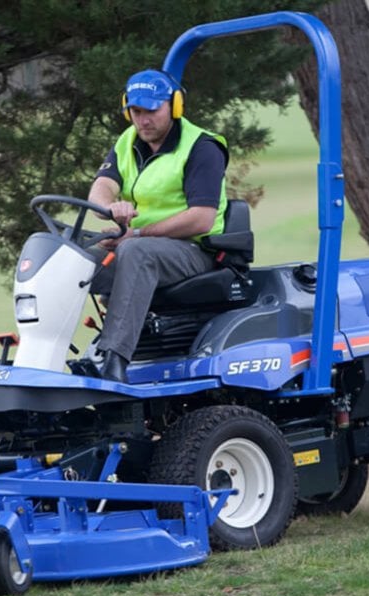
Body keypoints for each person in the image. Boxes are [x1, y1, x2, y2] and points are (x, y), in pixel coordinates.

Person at [88, 69, 229, 382]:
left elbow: (201, 217)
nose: (143, 120)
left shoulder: (202, 147)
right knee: (75, 255)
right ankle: (41, 356)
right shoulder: (128, 141)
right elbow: (101, 187)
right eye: (135, 112)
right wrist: (109, 208)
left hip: (195, 251)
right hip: (138, 243)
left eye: (151, 110)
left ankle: (114, 361)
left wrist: (135, 233)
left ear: (175, 106)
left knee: (138, 252)